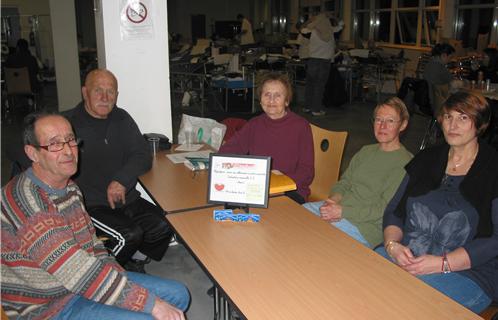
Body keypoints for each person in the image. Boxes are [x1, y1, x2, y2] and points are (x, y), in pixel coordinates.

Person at [1, 111, 190, 319]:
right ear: (33, 153)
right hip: (47, 307)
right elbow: (76, 271)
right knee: (149, 314)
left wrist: (118, 278)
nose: (69, 151)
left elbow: (93, 246)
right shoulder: (28, 202)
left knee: (179, 295)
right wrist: (150, 304)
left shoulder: (70, 188)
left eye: (71, 140)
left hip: (77, 285)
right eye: (55, 144)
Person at [376, 91, 497, 313]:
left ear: (480, 124)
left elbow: (495, 239)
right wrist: (393, 246)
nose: (452, 125)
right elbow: (395, 210)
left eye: (463, 118)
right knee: (362, 273)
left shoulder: (493, 168)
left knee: (402, 303)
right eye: (448, 116)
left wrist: (443, 263)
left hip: (468, 272)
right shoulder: (426, 158)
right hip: (411, 255)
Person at [64, 69, 173, 272]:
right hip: (91, 205)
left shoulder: (122, 118)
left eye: (111, 91)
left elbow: (142, 154)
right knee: (129, 235)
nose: (105, 98)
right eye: (98, 91)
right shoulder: (68, 124)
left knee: (167, 223)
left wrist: (122, 180)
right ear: (85, 92)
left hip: (127, 198)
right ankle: (102, 278)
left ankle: (134, 261)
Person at [303, 97, 413, 247]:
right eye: (378, 119)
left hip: (364, 226)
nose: (382, 126)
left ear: (403, 125)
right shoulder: (366, 151)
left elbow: (384, 209)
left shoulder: (405, 163)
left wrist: (342, 212)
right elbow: (345, 182)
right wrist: (333, 200)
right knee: (298, 215)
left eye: (390, 121)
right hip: (340, 209)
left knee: (314, 237)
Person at [219, 72, 314, 204]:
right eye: (267, 94)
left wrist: (278, 181)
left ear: (287, 101)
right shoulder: (254, 124)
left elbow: (307, 171)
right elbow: (230, 149)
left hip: (290, 190)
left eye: (278, 96)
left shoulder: (301, 126)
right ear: (260, 98)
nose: (271, 100)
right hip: (256, 188)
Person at [302, 12, 344, 117]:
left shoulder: (311, 31)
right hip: (325, 62)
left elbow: (301, 28)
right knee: (319, 86)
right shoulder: (331, 31)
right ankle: (316, 109)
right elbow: (342, 25)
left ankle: (307, 107)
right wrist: (334, 17)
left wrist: (310, 20)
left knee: (310, 85)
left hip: (312, 60)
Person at [423, 43, 456, 116]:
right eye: (450, 57)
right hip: (437, 102)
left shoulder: (429, 64)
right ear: (444, 55)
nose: (450, 60)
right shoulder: (440, 68)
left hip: (427, 99)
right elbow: (454, 82)